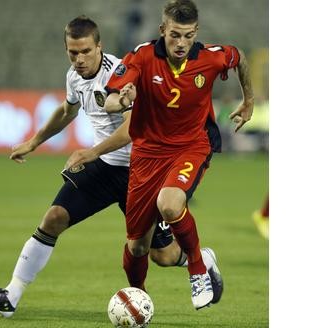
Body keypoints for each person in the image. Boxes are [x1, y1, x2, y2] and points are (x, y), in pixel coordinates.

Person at [0, 15, 223, 318]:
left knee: (164, 256)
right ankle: (10, 296)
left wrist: (90, 152)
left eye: (85, 52)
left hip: (142, 171)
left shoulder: (123, 73)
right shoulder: (74, 77)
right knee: (54, 218)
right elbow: (67, 111)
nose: (79, 59)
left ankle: (202, 259)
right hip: (105, 168)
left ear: (99, 47)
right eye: (73, 52)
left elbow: (131, 128)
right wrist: (34, 142)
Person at [103, 0, 254, 310]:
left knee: (170, 203)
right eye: (174, 35)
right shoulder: (142, 56)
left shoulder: (211, 58)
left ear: (195, 32)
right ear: (163, 30)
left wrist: (248, 100)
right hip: (147, 154)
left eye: (187, 35)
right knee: (140, 246)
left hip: (191, 145)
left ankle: (198, 270)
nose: (181, 43)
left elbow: (239, 58)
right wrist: (123, 100)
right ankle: (138, 299)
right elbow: (111, 99)